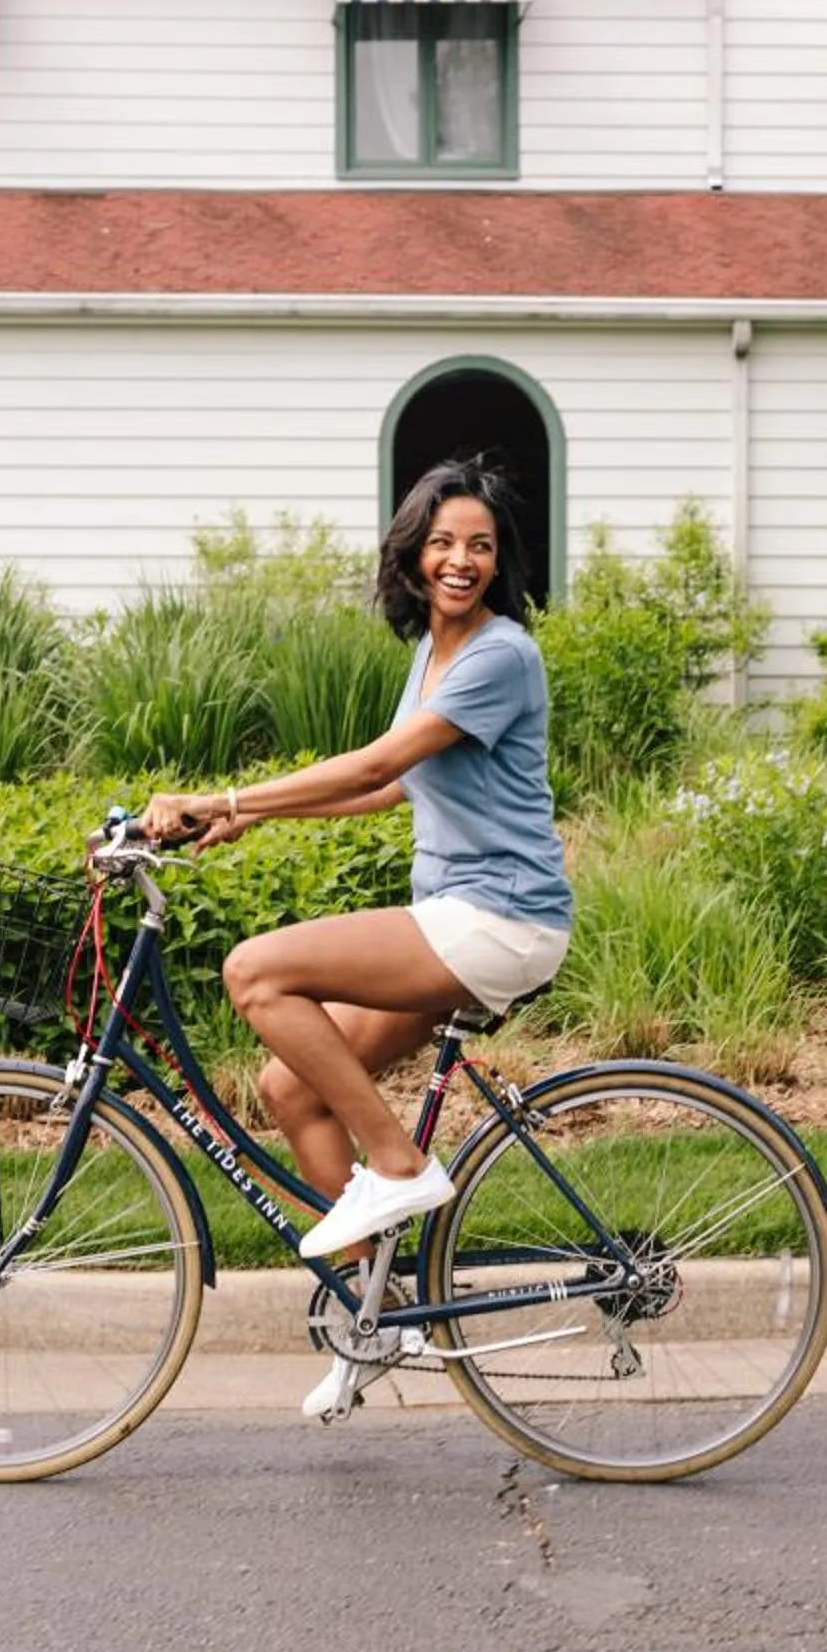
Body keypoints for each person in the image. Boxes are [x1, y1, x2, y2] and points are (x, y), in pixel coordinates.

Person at [143, 458, 573, 1411]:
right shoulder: (434, 651)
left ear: (500, 565)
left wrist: (225, 794)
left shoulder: (501, 654)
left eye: (481, 547)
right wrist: (253, 818)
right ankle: (372, 1317)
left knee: (255, 972)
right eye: (443, 542)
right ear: (414, 554)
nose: (460, 560)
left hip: (498, 917)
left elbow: (378, 758)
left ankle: (398, 1165)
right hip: (462, 916)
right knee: (290, 1085)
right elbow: (392, 785)